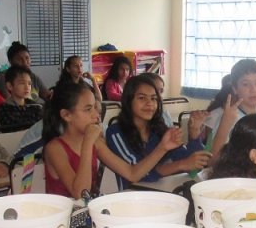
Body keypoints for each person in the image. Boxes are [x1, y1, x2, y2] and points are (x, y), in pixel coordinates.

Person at [42, 82, 182, 198]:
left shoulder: (95, 143)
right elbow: (80, 194)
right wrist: (88, 143)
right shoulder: (55, 148)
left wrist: (162, 147)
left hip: (88, 216)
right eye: (88, 109)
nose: (96, 115)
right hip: (64, 222)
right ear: (66, 115)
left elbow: (132, 174)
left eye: (96, 108)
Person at [106, 76, 210, 189]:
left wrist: (193, 133)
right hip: (133, 196)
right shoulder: (116, 132)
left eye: (154, 98)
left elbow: (193, 165)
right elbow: (138, 174)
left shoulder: (159, 129)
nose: (150, 103)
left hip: (164, 192)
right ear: (128, 101)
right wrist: (179, 164)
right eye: (142, 98)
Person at [203, 59, 256, 157]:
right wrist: (225, 124)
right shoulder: (228, 118)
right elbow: (213, 160)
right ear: (235, 89)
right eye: (246, 84)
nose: (253, 89)